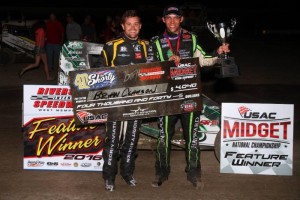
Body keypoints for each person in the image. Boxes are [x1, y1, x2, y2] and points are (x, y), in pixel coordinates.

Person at [148, 4, 230, 189]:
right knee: (164, 137)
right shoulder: (155, 41)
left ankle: (194, 172)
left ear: (181, 19)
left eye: (175, 17)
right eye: (168, 18)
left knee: (192, 137)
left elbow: (204, 60)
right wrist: (164, 64)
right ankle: (162, 171)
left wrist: (217, 53)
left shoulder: (191, 38)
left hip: (190, 95)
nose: (172, 21)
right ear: (163, 20)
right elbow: (148, 69)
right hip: (166, 97)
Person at [98, 9, 149, 192]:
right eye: (129, 24)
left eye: (136, 24)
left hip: (137, 102)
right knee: (113, 140)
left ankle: (128, 174)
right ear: (122, 26)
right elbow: (98, 76)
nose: (133, 27)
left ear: (140, 26)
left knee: (132, 139)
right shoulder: (111, 46)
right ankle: (109, 177)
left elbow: (152, 74)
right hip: (116, 103)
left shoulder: (146, 45)